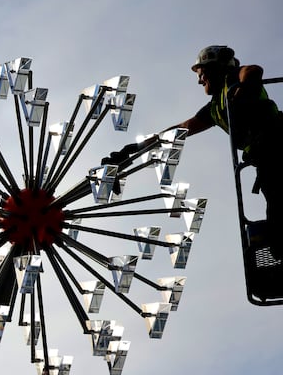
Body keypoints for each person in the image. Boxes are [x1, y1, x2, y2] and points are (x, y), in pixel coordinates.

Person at [107, 45, 283, 257]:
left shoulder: (235, 79)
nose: (200, 80)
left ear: (217, 68)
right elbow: (179, 130)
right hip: (265, 160)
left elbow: (253, 70)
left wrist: (244, 87)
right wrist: (132, 149)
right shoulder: (214, 108)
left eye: (202, 73)